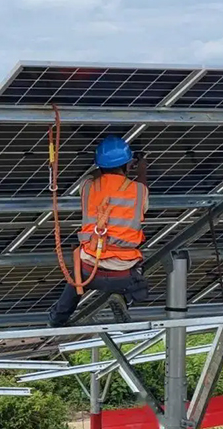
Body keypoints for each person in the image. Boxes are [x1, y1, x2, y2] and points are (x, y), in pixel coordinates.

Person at [48, 135, 149, 326]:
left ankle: (57, 318)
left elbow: (93, 177)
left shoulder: (87, 187)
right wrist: (141, 170)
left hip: (89, 271)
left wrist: (106, 168)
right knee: (140, 281)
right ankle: (124, 299)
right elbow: (142, 193)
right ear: (128, 165)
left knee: (75, 280)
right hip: (123, 274)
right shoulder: (138, 190)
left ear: (99, 165)